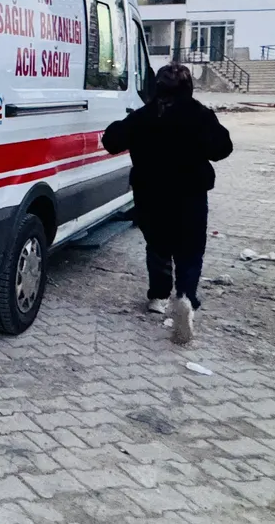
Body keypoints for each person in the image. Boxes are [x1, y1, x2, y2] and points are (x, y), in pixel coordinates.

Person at [102, 63, 233, 344]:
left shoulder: (143, 116)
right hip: (190, 194)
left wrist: (119, 124)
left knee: (159, 246)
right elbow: (223, 148)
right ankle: (185, 297)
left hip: (151, 195)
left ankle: (158, 297)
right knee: (190, 250)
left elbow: (112, 141)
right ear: (188, 87)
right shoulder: (199, 115)